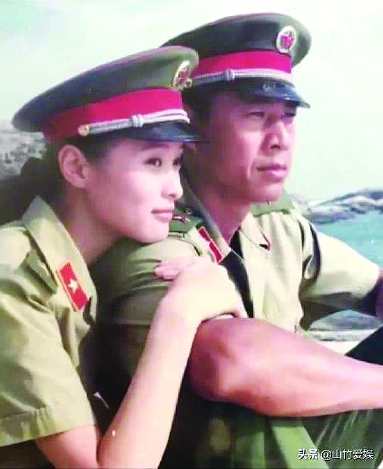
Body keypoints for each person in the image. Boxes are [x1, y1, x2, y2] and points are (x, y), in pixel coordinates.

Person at [91, 13, 383, 468]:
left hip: (307, 452)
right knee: (255, 407)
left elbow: (374, 286)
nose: (280, 140)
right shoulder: (153, 238)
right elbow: (230, 364)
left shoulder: (274, 224)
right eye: (256, 117)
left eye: (287, 118)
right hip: (209, 457)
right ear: (192, 130)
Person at [0, 46, 248, 468]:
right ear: (76, 168)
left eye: (176, 163)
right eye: (153, 161)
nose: (175, 188)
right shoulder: (7, 278)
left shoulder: (76, 269)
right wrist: (180, 314)